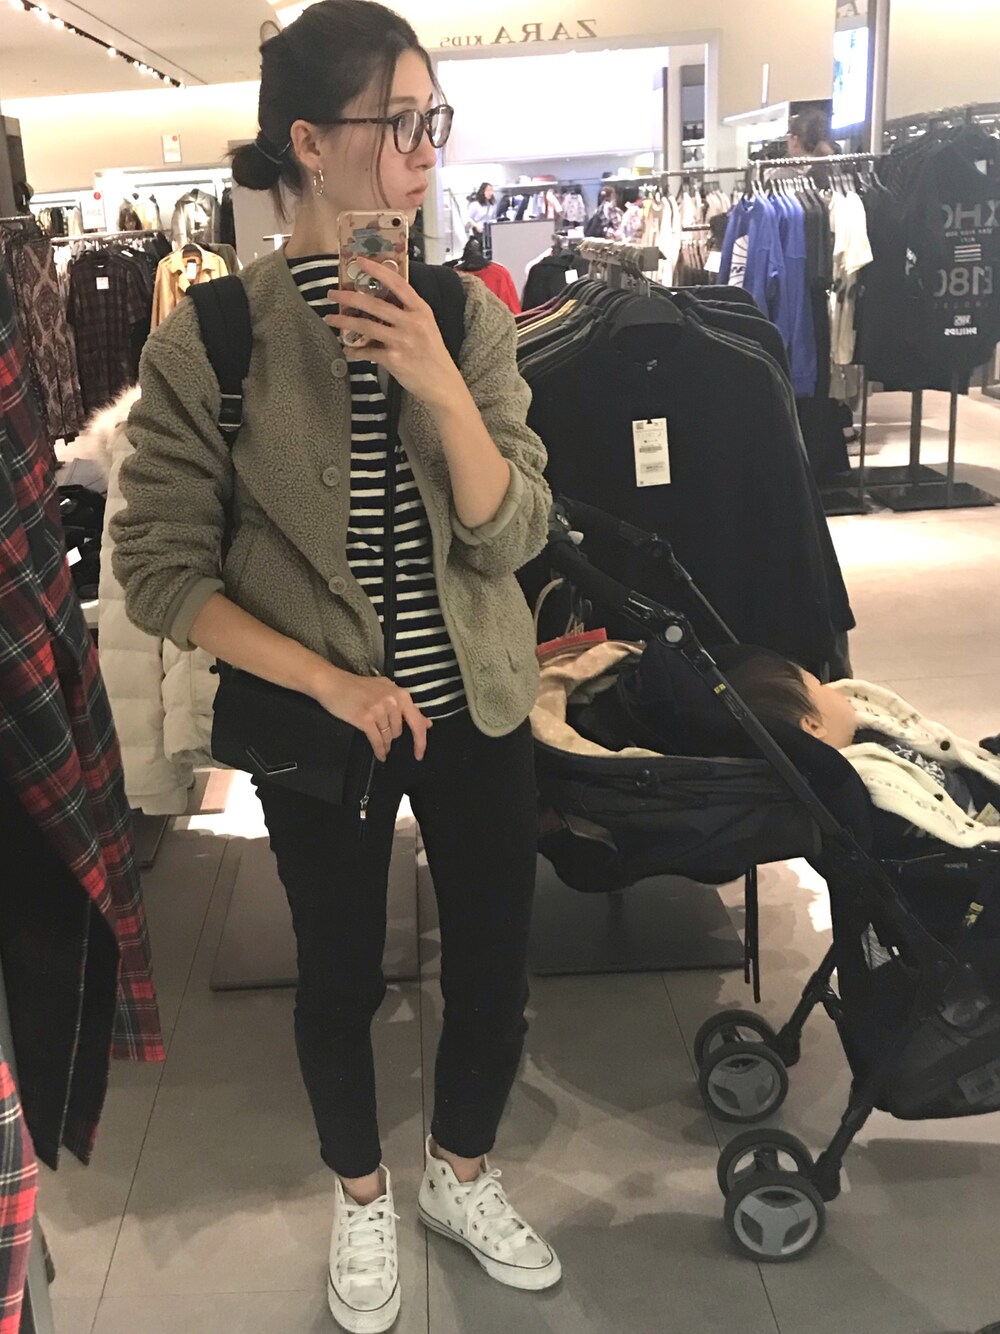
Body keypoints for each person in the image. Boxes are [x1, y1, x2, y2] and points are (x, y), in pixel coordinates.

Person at [109, 3, 561, 1330]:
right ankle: (362, 1193)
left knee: (497, 966)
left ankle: (458, 1174)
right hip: (324, 726)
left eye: (435, 121)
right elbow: (160, 570)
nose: (425, 152)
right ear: (309, 143)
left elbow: (516, 531)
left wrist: (437, 378)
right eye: (397, 122)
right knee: (341, 973)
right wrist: (327, 683)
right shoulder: (213, 337)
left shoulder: (467, 315)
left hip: (477, 701)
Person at [724, 651, 1000, 849]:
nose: (837, 690)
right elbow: (931, 829)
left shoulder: (865, 737)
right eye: (820, 687)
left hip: (977, 784)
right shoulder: (864, 781)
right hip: (977, 817)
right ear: (813, 726)